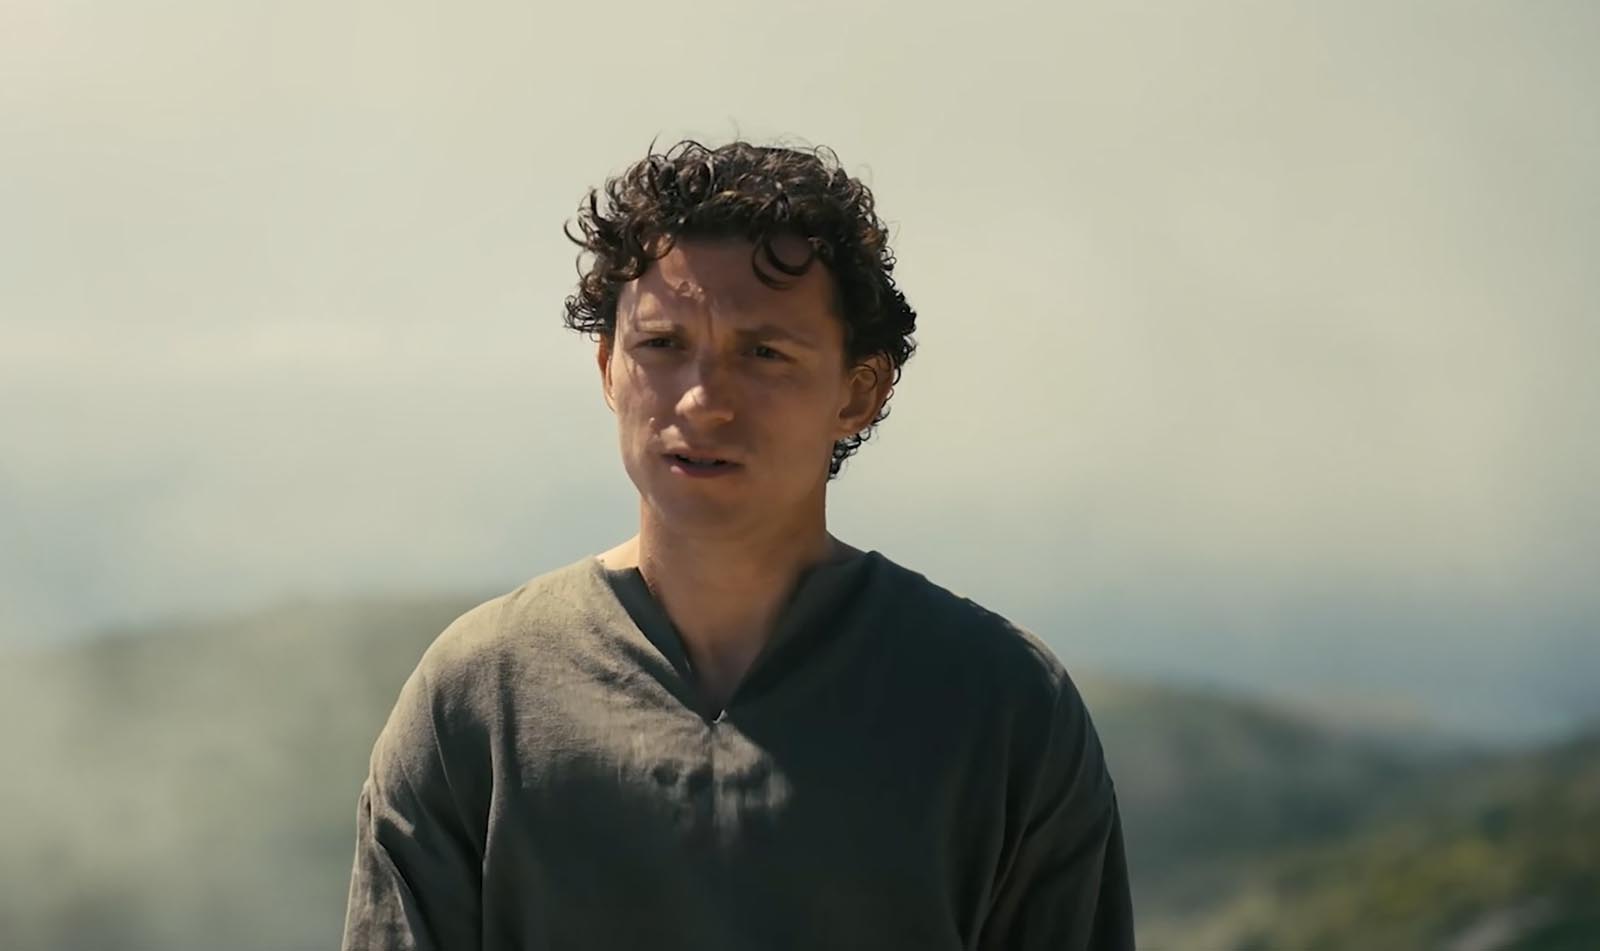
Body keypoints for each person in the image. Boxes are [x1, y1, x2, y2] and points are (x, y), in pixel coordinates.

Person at [340, 139, 1134, 950]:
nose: (703, 400)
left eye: (763, 353)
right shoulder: (481, 696)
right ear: (609, 367)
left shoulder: (998, 705)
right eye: (661, 345)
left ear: (859, 390)